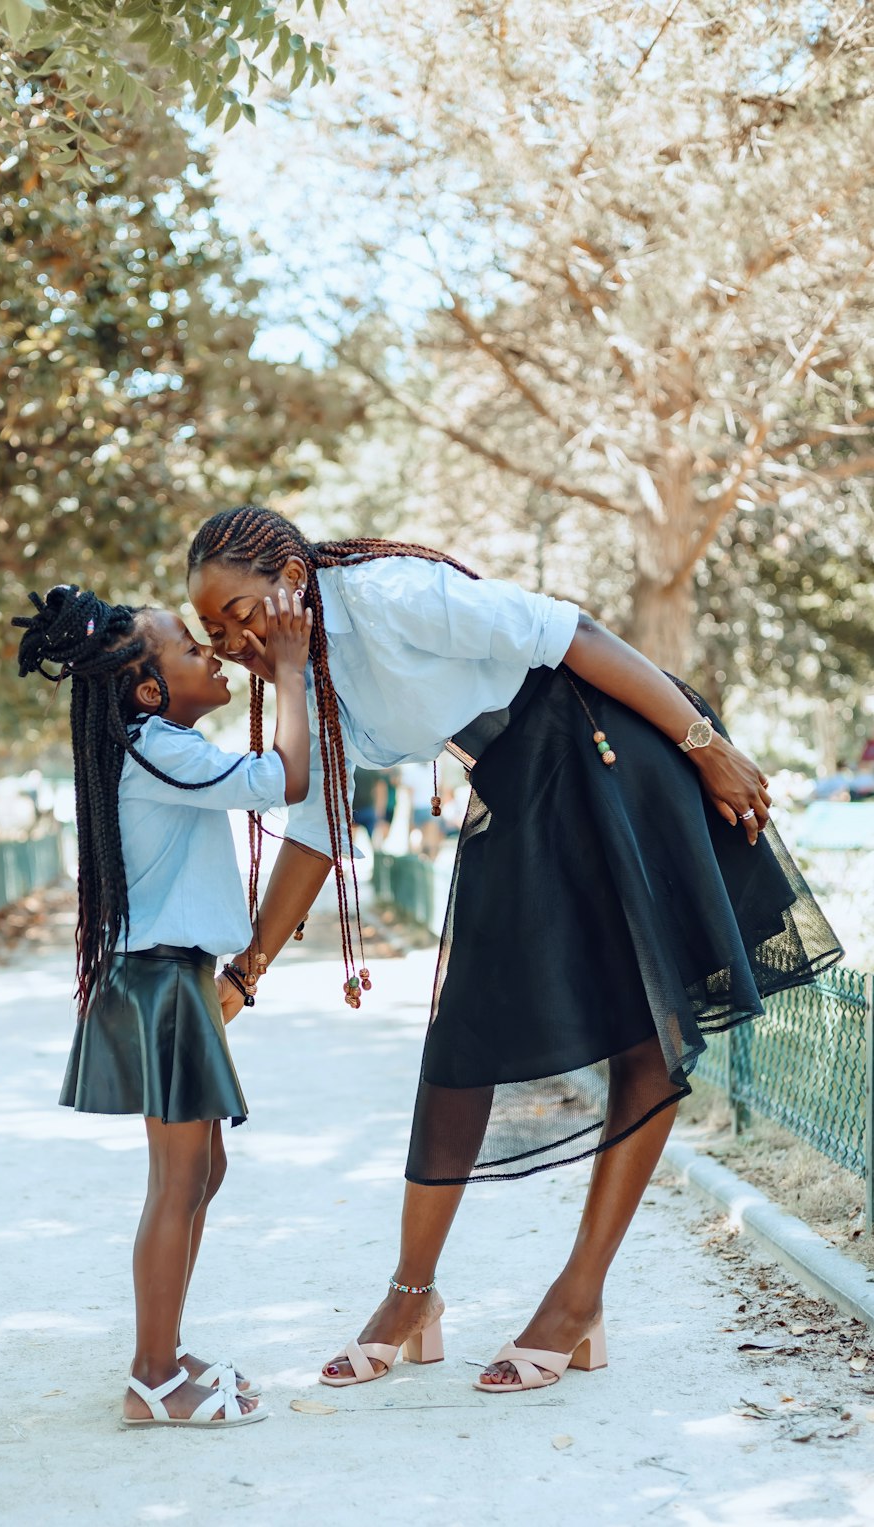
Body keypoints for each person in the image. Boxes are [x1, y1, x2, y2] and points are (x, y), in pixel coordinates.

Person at [186, 506, 842, 1397]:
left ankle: (578, 1300)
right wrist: (244, 973)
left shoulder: (386, 594)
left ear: (292, 580)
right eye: (214, 630)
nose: (231, 640)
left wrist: (705, 742)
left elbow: (574, 630)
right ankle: (411, 1295)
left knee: (646, 1034)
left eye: (239, 611)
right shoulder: (311, 673)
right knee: (464, 1041)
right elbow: (316, 820)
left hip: (608, 751)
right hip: (519, 786)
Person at [14, 581, 312, 1426]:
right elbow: (286, 778)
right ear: (149, 690)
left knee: (199, 1171)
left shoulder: (155, 743)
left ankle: (168, 1347)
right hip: (162, 981)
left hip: (168, 976)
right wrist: (286, 666)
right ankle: (152, 1376)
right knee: (178, 1181)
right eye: (191, 646)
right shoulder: (159, 748)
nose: (211, 652)